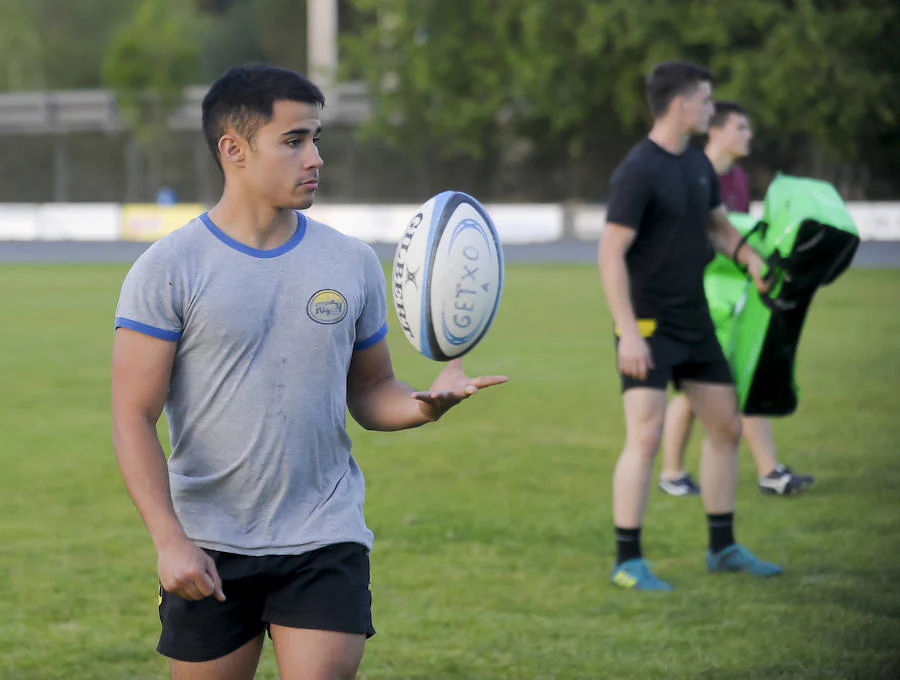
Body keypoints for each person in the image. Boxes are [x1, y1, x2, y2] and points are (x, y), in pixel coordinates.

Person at [111, 63, 507, 680]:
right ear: (234, 150)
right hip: (210, 542)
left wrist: (427, 403)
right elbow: (132, 416)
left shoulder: (350, 262)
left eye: (316, 138)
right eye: (294, 140)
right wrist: (169, 540)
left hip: (325, 534)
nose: (315, 157)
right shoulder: (169, 268)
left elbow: (373, 392)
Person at [598, 61, 782, 591]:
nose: (711, 108)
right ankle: (627, 561)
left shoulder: (699, 166)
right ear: (680, 104)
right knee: (647, 435)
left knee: (725, 425)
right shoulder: (639, 168)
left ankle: (722, 548)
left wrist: (752, 260)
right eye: (705, 100)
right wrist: (628, 332)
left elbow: (719, 227)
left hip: (694, 319)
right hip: (648, 325)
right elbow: (611, 252)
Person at [658, 101, 815, 498]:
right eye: (741, 128)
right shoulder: (693, 173)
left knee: (731, 378)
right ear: (717, 131)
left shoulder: (740, 180)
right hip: (704, 295)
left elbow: (737, 239)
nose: (748, 136)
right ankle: (678, 473)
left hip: (739, 294)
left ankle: (764, 471)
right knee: (704, 385)